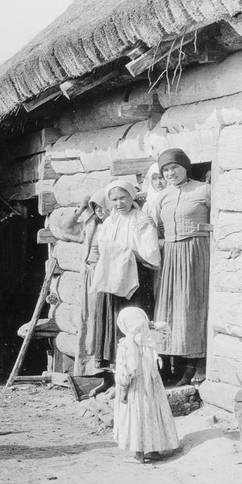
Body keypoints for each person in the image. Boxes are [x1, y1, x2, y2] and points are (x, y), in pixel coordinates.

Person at [84, 179, 160, 378]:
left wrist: (122, 252)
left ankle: (136, 372)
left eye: (123, 198)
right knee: (112, 320)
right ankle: (115, 374)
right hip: (111, 277)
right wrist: (112, 255)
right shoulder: (109, 222)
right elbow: (103, 249)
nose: (119, 203)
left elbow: (150, 253)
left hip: (134, 276)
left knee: (132, 320)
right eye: (115, 199)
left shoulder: (142, 220)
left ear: (131, 197)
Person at [153, 148, 211, 386]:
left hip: (197, 252)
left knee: (195, 304)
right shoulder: (162, 197)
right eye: (165, 170)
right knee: (175, 309)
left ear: (186, 166)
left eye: (174, 167)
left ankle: (200, 364)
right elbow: (157, 227)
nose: (170, 173)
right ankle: (180, 367)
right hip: (172, 256)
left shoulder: (203, 189)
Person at [113, 306, 180, 464]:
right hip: (153, 386)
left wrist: (123, 390)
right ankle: (154, 450)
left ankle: (139, 454)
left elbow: (124, 372)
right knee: (152, 414)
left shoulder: (126, 345)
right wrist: (150, 325)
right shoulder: (150, 338)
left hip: (135, 388)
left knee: (136, 416)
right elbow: (166, 330)